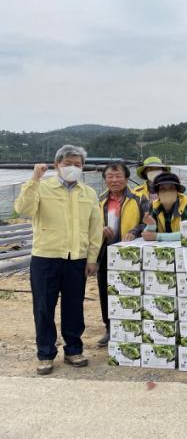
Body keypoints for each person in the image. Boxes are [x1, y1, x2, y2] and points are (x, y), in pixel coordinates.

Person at [14, 145, 103, 375]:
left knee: (74, 306)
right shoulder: (42, 187)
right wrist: (34, 179)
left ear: (83, 167)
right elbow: (23, 209)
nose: (73, 168)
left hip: (77, 259)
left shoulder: (88, 193)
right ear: (57, 165)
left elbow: (95, 229)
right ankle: (45, 354)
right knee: (44, 307)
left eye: (77, 164)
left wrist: (92, 258)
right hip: (46, 257)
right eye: (67, 164)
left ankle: (73, 350)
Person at [96, 163, 148, 347]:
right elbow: (90, 223)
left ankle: (134, 327)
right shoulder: (99, 200)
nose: (114, 180)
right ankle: (110, 328)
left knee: (131, 290)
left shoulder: (139, 199)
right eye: (110, 176)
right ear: (105, 180)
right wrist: (99, 229)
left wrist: (135, 231)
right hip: (105, 252)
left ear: (126, 178)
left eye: (118, 176)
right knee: (105, 291)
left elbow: (148, 222)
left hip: (129, 252)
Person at [142, 172, 187, 241]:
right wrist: (151, 225)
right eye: (162, 189)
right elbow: (147, 235)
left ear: (177, 192)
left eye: (171, 188)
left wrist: (158, 236)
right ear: (157, 193)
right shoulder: (154, 206)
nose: (167, 192)